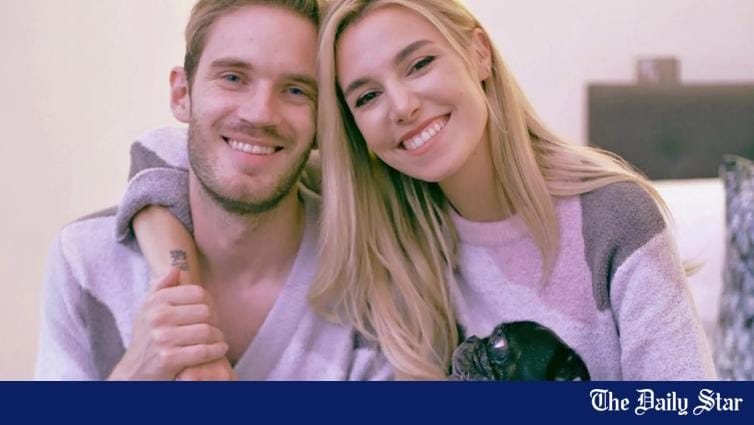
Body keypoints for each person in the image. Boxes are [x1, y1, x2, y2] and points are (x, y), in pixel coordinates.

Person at [120, 0, 716, 380]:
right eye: (367, 96)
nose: (402, 106)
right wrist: (182, 293)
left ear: (477, 52)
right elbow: (175, 149)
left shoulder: (612, 218)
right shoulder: (381, 220)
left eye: (419, 64)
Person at [35, 0, 392, 381]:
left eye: (295, 90)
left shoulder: (375, 283)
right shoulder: (86, 257)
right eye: (233, 78)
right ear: (181, 94)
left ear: (322, 121)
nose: (260, 113)